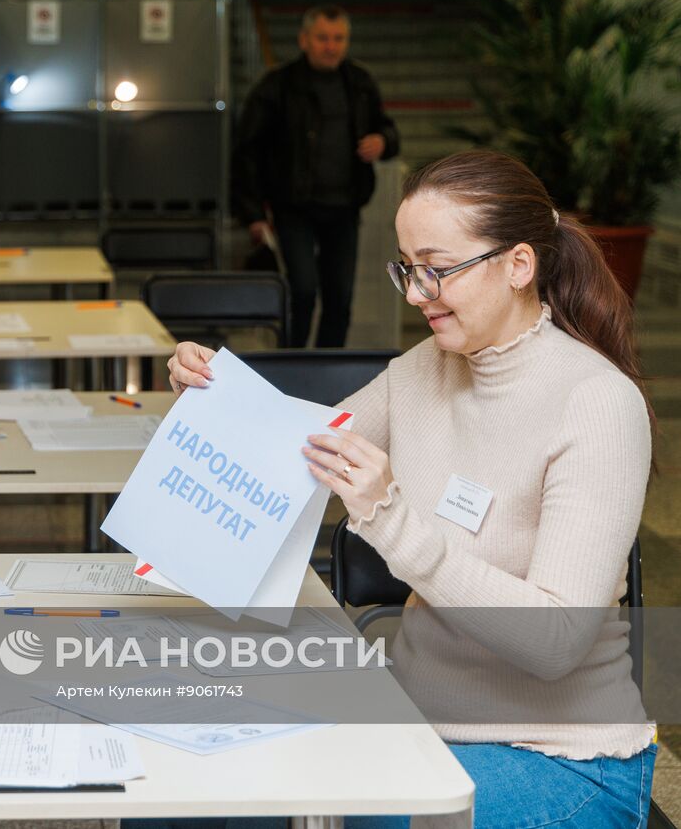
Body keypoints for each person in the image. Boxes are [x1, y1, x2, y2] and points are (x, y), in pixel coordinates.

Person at [167, 150, 655, 827]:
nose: (417, 293)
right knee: (187, 789)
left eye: (438, 268)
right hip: (417, 726)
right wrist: (213, 393)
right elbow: (297, 449)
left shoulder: (597, 403)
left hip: (558, 758)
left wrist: (391, 518)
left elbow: (553, 643)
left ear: (519, 265)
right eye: (407, 267)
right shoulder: (424, 367)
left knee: (349, 815)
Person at [230, 4, 399, 348]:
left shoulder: (359, 83)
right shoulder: (277, 85)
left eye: (339, 39)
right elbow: (246, 149)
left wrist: (383, 141)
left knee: (340, 298)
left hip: (345, 206)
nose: (331, 46)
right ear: (304, 40)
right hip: (293, 207)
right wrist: (253, 214)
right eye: (323, 38)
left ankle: (326, 368)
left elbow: (386, 128)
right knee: (302, 292)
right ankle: (290, 365)